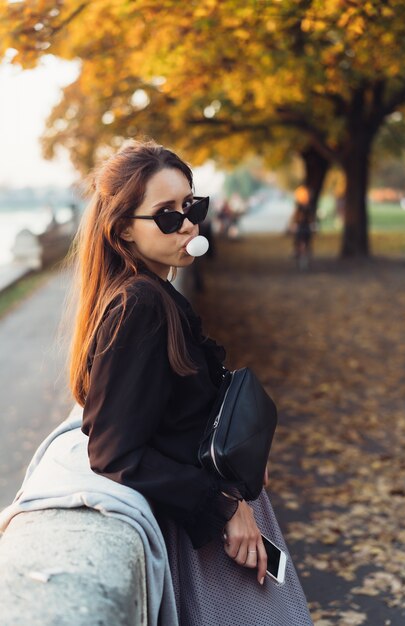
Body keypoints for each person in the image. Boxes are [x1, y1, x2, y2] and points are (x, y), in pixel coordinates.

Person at [68, 140, 313, 625]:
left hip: (224, 513)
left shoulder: (156, 293)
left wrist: (240, 461)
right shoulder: (139, 306)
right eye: (165, 215)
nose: (186, 223)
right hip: (207, 532)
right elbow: (113, 451)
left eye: (190, 206)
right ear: (123, 231)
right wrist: (223, 507)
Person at [289, 186, 315, 270]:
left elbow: (311, 218)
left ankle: (304, 258)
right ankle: (300, 256)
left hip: (305, 227)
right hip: (301, 227)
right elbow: (296, 217)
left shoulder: (308, 208)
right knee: (300, 242)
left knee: (305, 243)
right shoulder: (299, 207)